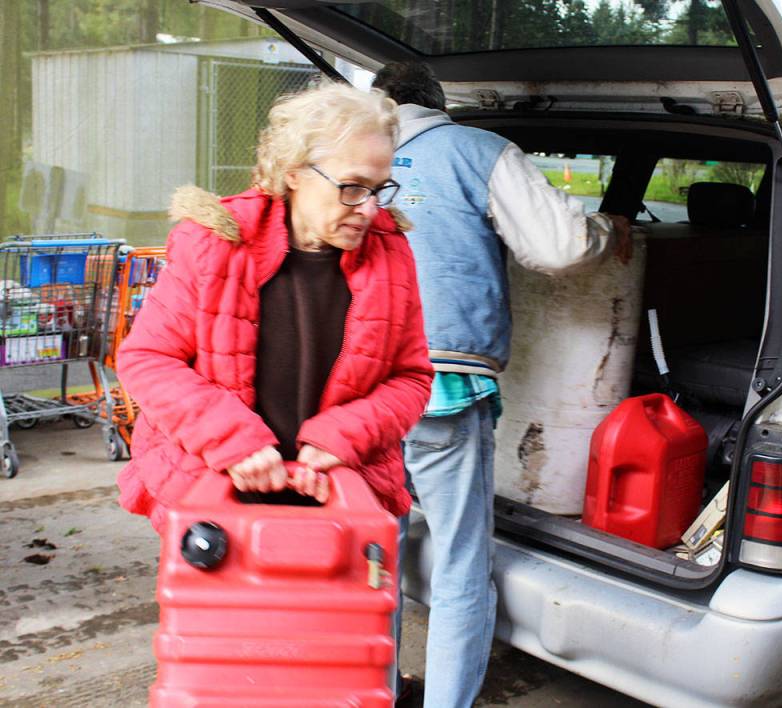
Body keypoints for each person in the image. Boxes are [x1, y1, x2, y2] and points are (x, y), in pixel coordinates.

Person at [372, 61, 631, 708]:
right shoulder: (476, 149)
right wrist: (610, 231)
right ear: (439, 105)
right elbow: (558, 246)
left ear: (384, 103)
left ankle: (369, 691)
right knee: (461, 565)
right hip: (442, 387)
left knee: (374, 554)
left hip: (358, 389)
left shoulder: (354, 154)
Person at [115, 81, 432, 541]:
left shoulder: (391, 254)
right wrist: (233, 442)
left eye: (379, 189)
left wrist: (342, 438)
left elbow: (412, 377)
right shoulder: (214, 242)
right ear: (294, 172)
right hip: (214, 495)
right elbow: (148, 359)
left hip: (337, 497)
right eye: (351, 187)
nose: (367, 209)